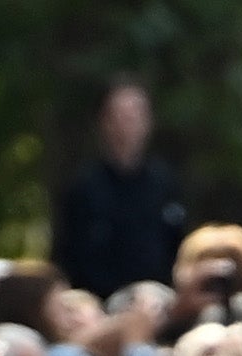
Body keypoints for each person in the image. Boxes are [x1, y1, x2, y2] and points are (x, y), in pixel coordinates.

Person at [52, 82, 185, 299]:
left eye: (135, 115)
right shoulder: (83, 188)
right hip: (98, 303)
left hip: (159, 300)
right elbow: (65, 256)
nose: (127, 125)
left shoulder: (165, 184)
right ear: (104, 122)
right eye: (120, 116)